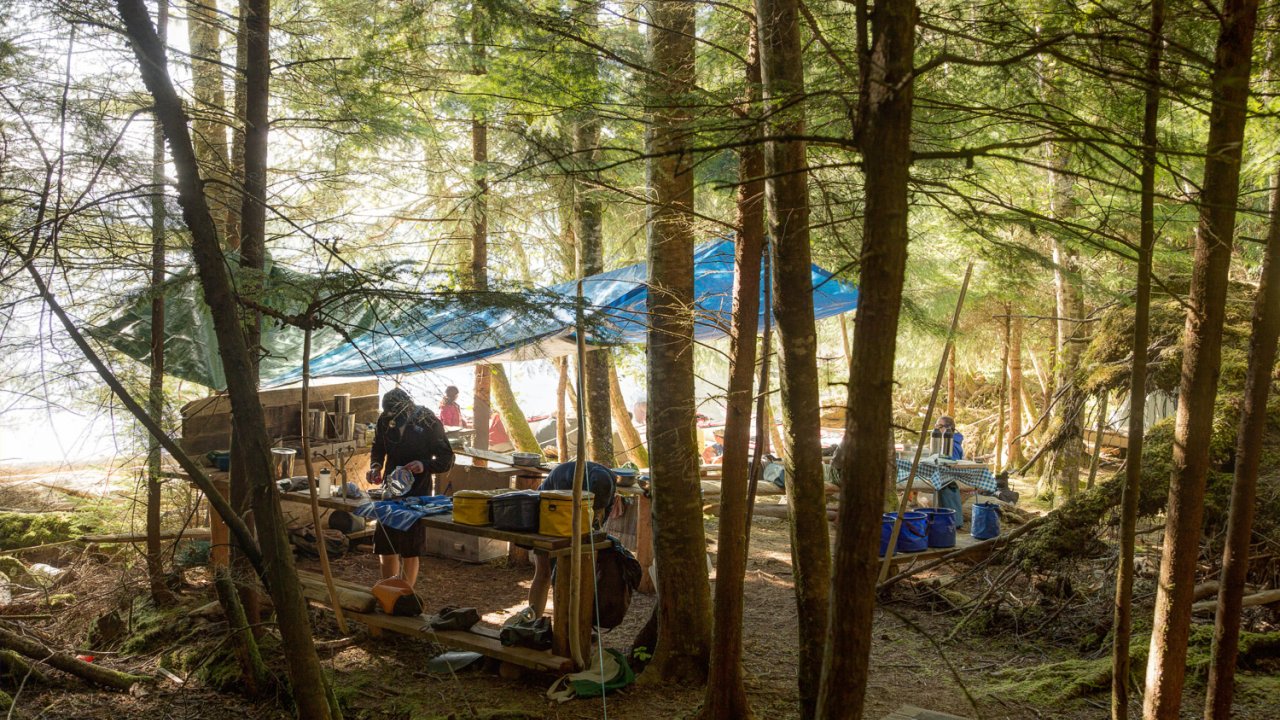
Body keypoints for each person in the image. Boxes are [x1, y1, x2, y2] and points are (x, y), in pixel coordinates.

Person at [367, 387, 455, 587]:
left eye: (395, 417)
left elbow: (446, 458)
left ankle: (405, 594)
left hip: (417, 491)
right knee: (386, 544)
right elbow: (378, 447)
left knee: (409, 546)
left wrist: (423, 464)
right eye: (388, 417)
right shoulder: (384, 421)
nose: (391, 421)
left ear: (408, 409)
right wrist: (376, 466)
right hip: (389, 490)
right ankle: (388, 590)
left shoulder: (428, 421)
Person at [512, 460, 617, 623]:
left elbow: (599, 519)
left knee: (578, 576)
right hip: (546, 514)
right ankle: (531, 622)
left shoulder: (609, 483)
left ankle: (574, 628)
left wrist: (593, 525)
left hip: (571, 515)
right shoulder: (566, 478)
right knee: (546, 573)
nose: (596, 511)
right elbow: (558, 516)